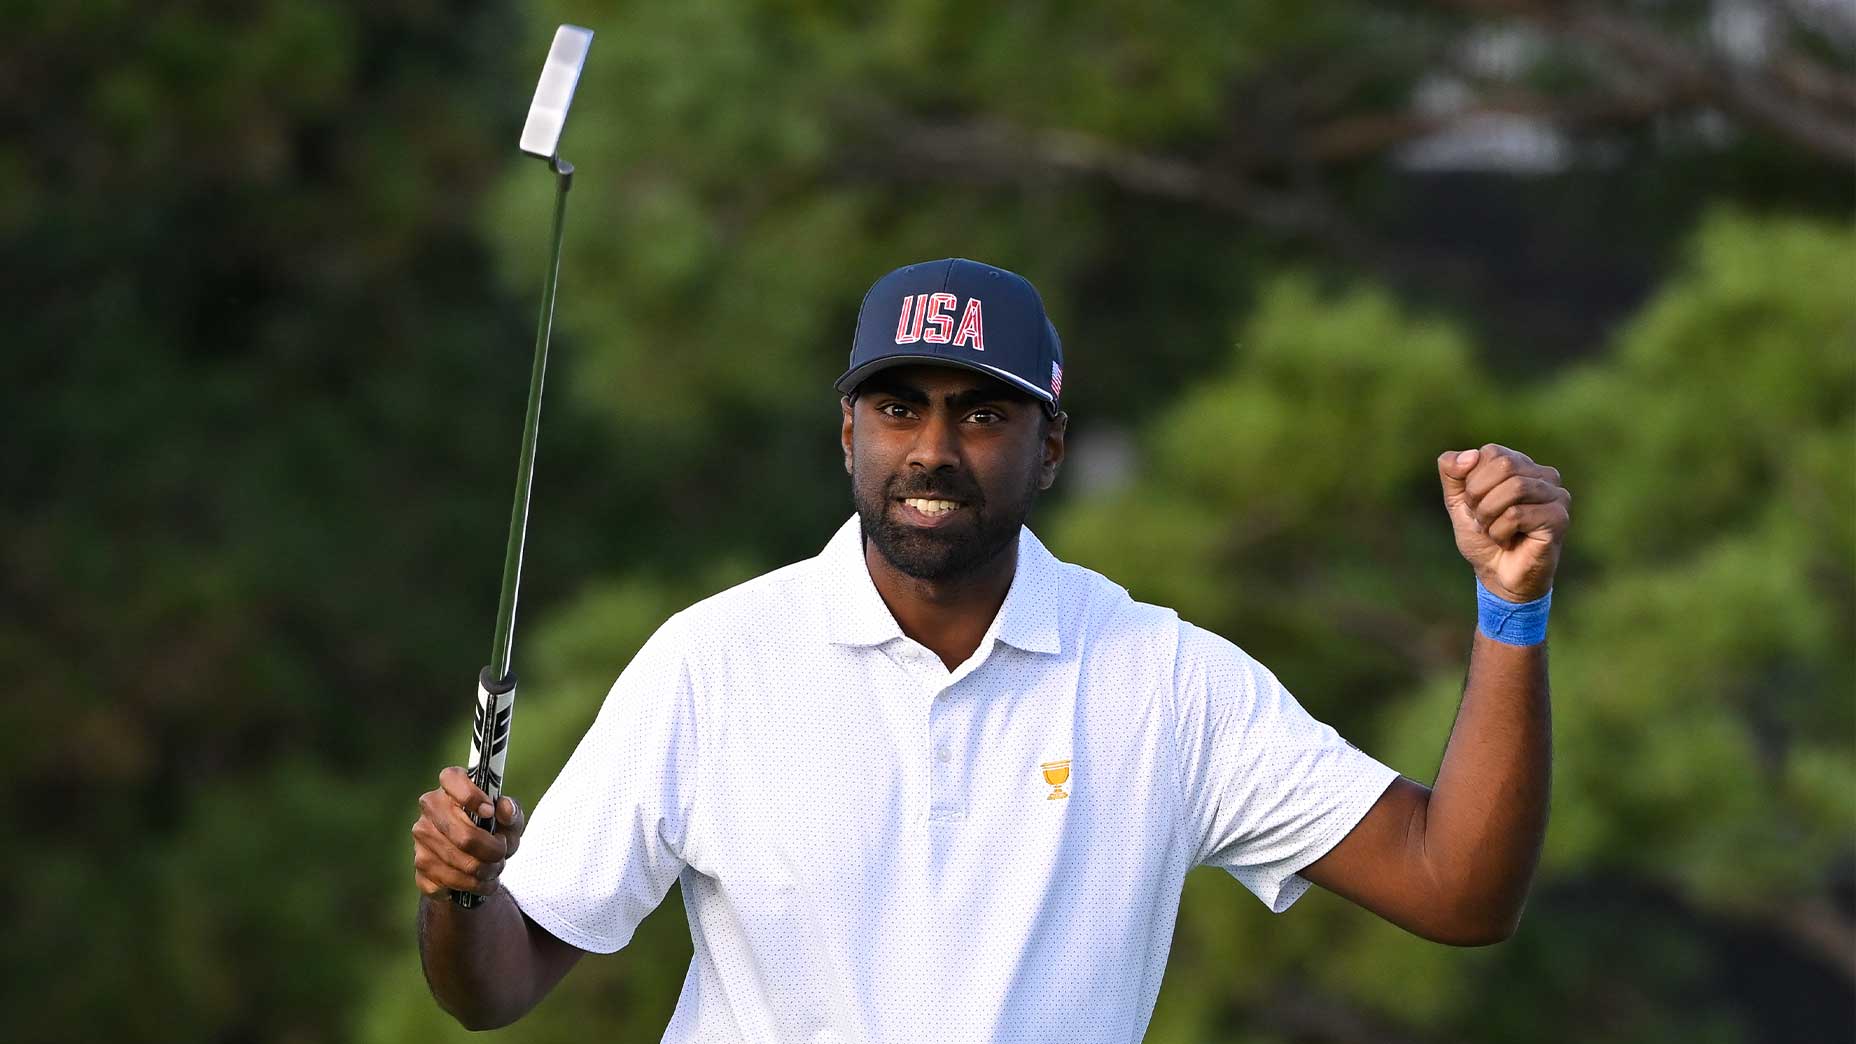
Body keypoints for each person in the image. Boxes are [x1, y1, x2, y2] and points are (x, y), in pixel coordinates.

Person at [411, 258, 1571, 1040]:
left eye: (980, 413)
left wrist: (1507, 611)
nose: (931, 448)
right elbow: (496, 984)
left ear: (1048, 446)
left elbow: (1456, 890)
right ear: (848, 433)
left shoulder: (1164, 682)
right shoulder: (713, 662)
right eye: (897, 407)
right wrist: (464, 894)